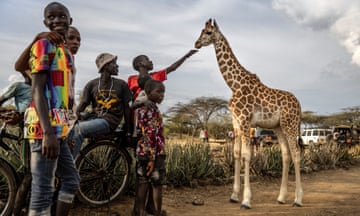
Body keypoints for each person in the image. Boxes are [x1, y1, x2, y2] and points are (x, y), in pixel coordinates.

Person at [22, 2, 80, 215]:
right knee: (43, 191)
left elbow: (64, 96)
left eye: (62, 16)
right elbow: (37, 89)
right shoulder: (43, 45)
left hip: (58, 128)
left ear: (70, 20)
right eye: (51, 17)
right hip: (43, 127)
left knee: (71, 180)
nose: (57, 21)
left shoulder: (66, 52)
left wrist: (64, 130)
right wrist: (47, 132)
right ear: (45, 22)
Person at [67, 52, 132, 158]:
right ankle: (65, 159)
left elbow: (127, 108)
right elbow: (83, 103)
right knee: (66, 128)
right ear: (106, 66)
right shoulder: (92, 84)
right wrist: (74, 117)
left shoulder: (121, 85)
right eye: (114, 63)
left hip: (109, 120)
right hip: (95, 117)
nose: (117, 66)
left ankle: (67, 168)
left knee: (79, 130)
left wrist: (128, 131)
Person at [135, 79, 166, 216]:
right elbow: (151, 135)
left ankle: (141, 212)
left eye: (163, 92)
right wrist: (152, 158)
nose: (162, 95)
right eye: (158, 92)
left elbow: (139, 131)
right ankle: (158, 213)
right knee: (157, 185)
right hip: (154, 154)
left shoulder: (140, 110)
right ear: (148, 93)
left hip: (141, 152)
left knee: (143, 183)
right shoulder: (152, 111)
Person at [128, 49, 198, 99]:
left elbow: (172, 68)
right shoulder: (131, 79)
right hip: (137, 109)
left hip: (151, 109)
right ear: (140, 64)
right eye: (147, 59)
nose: (151, 61)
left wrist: (186, 56)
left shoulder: (154, 76)